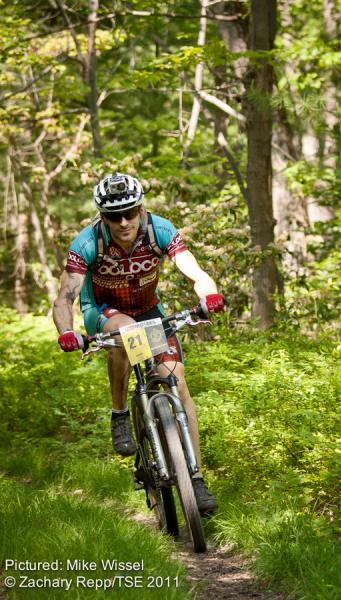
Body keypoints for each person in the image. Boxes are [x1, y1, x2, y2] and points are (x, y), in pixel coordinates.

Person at [52, 172, 224, 514]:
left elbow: (195, 272)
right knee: (127, 332)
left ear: (140, 209)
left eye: (129, 212)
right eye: (114, 216)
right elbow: (64, 297)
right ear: (103, 217)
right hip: (103, 311)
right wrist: (67, 331)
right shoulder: (87, 243)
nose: (123, 222)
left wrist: (209, 296)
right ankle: (119, 413)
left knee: (177, 381)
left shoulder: (159, 229)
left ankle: (195, 477)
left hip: (149, 310)